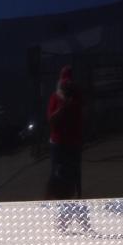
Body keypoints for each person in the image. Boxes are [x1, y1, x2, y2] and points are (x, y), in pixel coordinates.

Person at [47, 65, 83, 200]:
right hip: (58, 143)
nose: (67, 86)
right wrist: (62, 107)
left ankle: (79, 197)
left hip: (74, 142)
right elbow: (51, 121)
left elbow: (83, 118)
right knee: (56, 171)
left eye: (69, 83)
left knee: (76, 171)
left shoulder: (78, 96)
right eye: (64, 83)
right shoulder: (55, 98)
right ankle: (55, 198)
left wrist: (73, 101)